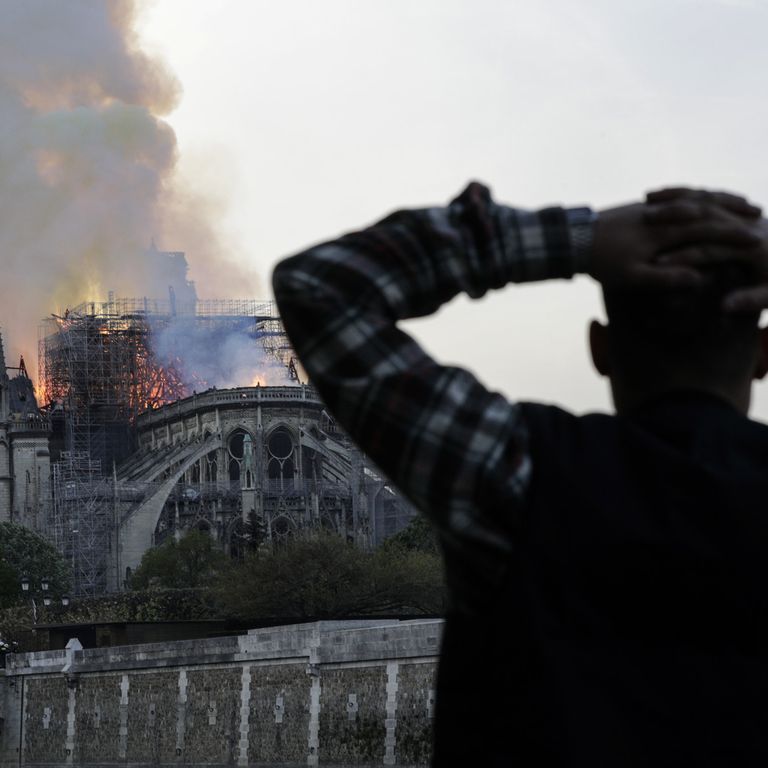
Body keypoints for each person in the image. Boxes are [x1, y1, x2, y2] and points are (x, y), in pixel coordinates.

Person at [272, 182, 768, 766]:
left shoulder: (515, 470)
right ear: (763, 352)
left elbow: (318, 286)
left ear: (599, 348)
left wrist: (577, 240)